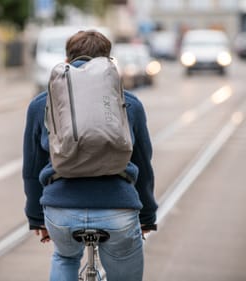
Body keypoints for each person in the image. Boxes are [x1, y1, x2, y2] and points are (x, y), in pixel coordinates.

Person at [23, 30, 158, 281]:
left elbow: (32, 170)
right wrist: (147, 217)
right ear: (108, 63)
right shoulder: (129, 103)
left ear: (66, 61)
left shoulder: (41, 104)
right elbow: (143, 166)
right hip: (118, 211)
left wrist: (36, 219)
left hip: (61, 211)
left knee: (65, 256)